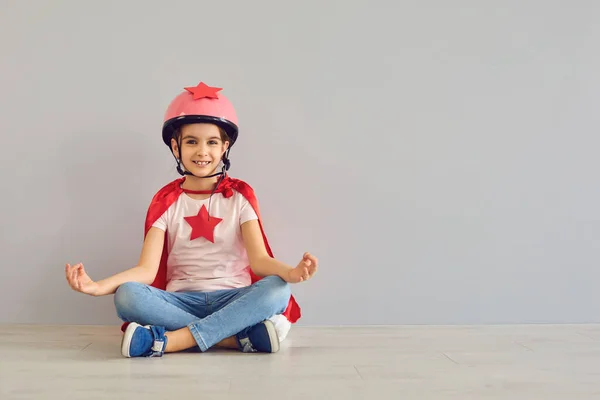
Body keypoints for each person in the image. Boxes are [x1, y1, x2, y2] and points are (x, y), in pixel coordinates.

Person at [65, 81, 318, 358]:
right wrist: (98, 286)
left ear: (225, 147)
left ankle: (169, 341)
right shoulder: (166, 201)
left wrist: (291, 273)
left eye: (212, 142)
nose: (202, 151)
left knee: (278, 289)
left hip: (232, 298)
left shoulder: (239, 196)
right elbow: (147, 271)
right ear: (176, 147)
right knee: (127, 295)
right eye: (191, 142)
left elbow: (259, 261)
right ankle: (234, 339)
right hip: (179, 301)